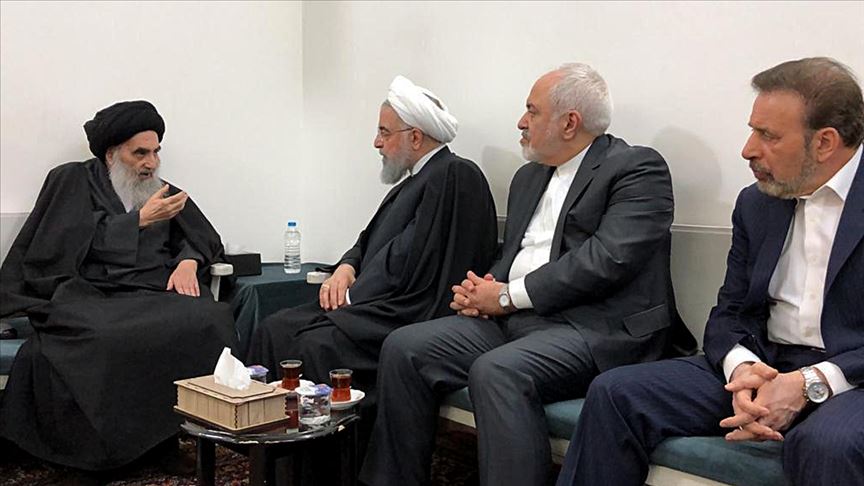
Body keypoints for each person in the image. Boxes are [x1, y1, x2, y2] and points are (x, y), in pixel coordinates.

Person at [360, 63, 696, 486]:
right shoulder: (528, 176)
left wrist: (505, 296)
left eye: (532, 111)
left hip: (594, 328)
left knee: (498, 371)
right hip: (519, 319)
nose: (521, 122)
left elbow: (606, 259)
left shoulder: (636, 168)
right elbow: (515, 254)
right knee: (404, 346)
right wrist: (482, 290)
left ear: (569, 123)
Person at [555, 57, 864, 486]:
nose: (748, 149)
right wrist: (742, 369)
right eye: (753, 130)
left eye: (768, 135)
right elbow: (729, 313)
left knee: (828, 443)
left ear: (825, 142)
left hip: (852, 378)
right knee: (615, 392)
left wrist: (812, 382)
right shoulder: (757, 203)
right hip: (767, 362)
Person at [0, 100, 236, 474]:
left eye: (156, 152)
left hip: (151, 291)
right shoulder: (72, 180)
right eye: (140, 153)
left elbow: (204, 238)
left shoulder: (160, 190)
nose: (151, 163)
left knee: (208, 317)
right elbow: (55, 248)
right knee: (106, 337)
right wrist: (136, 221)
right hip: (91, 294)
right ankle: (95, 457)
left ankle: (165, 440)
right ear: (112, 154)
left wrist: (189, 261)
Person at [249, 75, 498, 402]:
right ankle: (269, 429)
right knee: (273, 328)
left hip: (409, 311)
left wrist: (352, 297)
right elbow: (368, 240)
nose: (376, 143)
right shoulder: (411, 183)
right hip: (376, 301)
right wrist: (347, 267)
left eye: (384, 132)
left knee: (314, 344)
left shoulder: (454, 174)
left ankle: (326, 435)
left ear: (415, 137)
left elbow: (408, 258)